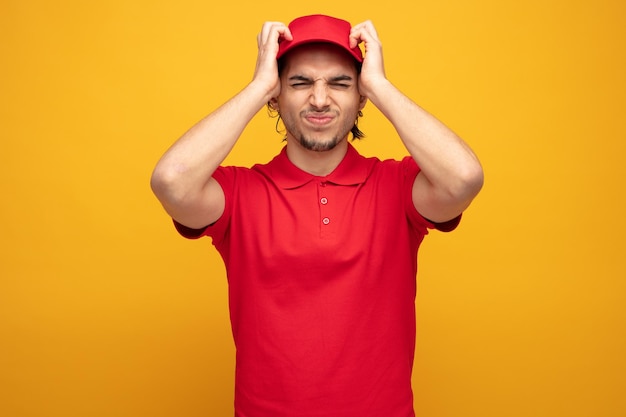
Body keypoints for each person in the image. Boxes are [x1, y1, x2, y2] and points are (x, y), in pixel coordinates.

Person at [151, 14, 483, 417]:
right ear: (276, 94)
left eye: (341, 83)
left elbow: (464, 179)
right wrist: (258, 86)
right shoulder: (240, 194)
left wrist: (379, 85)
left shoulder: (396, 186)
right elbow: (172, 181)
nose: (320, 99)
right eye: (300, 82)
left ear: (361, 96)